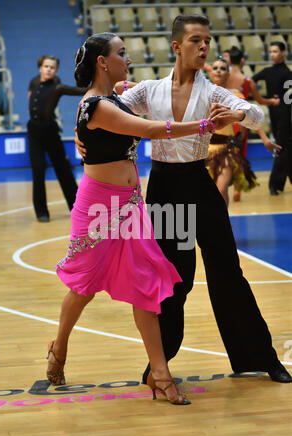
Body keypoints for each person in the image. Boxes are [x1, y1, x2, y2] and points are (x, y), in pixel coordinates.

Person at [76, 15, 292, 385]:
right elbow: (99, 109)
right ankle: (160, 365)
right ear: (176, 46)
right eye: (196, 40)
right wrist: (81, 137)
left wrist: (239, 113)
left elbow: (255, 115)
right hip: (165, 190)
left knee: (227, 271)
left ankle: (260, 356)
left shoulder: (212, 93)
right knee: (175, 279)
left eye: (207, 40)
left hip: (198, 183)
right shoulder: (148, 91)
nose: (204, 47)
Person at [47, 32, 238, 406]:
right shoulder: (98, 106)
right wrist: (203, 127)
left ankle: (160, 374)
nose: (128, 58)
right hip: (100, 208)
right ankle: (60, 348)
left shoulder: (113, 98)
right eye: (121, 53)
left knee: (146, 284)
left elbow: (124, 106)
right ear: (103, 62)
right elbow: (152, 130)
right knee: (84, 286)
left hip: (131, 204)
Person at [206, 59, 282, 206]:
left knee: (221, 190)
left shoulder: (234, 95)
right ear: (210, 72)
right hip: (203, 150)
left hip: (226, 150)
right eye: (215, 68)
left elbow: (249, 117)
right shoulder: (201, 94)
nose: (218, 70)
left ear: (228, 73)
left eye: (222, 68)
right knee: (207, 193)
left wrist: (265, 139)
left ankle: (224, 225)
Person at [27, 55, 86, 222]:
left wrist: (99, 87)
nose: (48, 69)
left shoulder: (57, 87)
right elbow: (30, 98)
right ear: (40, 67)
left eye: (52, 67)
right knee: (38, 169)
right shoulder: (33, 81)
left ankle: (76, 206)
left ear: (56, 70)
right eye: (46, 66)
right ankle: (41, 211)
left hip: (50, 131)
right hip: (33, 131)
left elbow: (78, 91)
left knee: (63, 169)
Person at [225, 46, 280, 201]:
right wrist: (274, 101)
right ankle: (237, 188)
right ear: (242, 60)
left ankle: (222, 185)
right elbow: (260, 101)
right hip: (242, 122)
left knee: (224, 155)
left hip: (225, 120)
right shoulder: (247, 81)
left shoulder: (222, 76)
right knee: (240, 156)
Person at [252, 42, 292, 196]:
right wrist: (263, 99)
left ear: (283, 52)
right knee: (286, 146)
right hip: (273, 112)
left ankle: (274, 184)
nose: (272, 54)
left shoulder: (287, 73)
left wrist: (281, 98)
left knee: (281, 146)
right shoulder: (268, 71)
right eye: (270, 51)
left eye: (275, 51)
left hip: (284, 113)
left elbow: (290, 95)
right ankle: (279, 183)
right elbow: (250, 81)